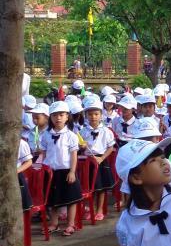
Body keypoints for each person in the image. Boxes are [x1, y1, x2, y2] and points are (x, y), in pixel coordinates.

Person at [39, 100, 82, 236]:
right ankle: (54, 223)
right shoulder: (46, 135)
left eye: (61, 115)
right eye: (54, 115)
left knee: (71, 199)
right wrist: (44, 168)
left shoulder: (71, 136)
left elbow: (74, 155)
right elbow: (44, 153)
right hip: (51, 172)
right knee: (53, 199)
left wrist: (72, 171)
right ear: (50, 117)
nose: (58, 118)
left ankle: (70, 224)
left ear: (67, 116)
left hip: (66, 171)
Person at [80, 97, 116, 221]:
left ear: (101, 115)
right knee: (90, 187)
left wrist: (102, 158)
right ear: (86, 115)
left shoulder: (106, 131)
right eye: (90, 114)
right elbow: (80, 147)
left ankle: (99, 209)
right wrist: (81, 146)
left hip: (100, 160)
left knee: (101, 188)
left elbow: (110, 148)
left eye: (96, 114)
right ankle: (91, 209)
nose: (93, 117)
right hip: (88, 162)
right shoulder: (83, 131)